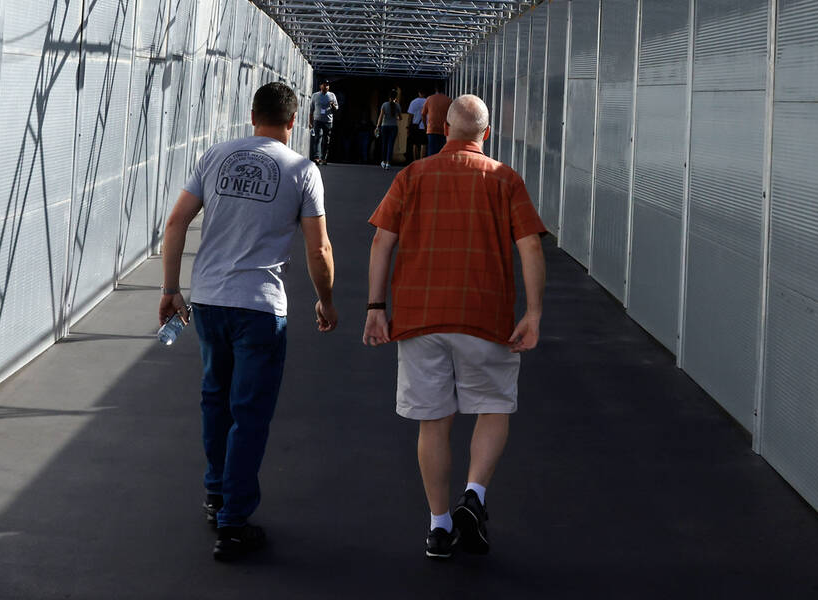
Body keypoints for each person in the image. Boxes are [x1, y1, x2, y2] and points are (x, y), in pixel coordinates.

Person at [362, 94, 547, 560]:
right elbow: (530, 248)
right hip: (486, 318)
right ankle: (476, 495)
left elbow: (383, 241)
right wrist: (534, 313)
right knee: (494, 407)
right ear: (486, 133)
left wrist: (375, 306)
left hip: (420, 318)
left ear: (444, 129)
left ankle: (439, 526)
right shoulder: (505, 178)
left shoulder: (412, 176)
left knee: (433, 423)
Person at [160, 81, 338, 563]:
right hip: (260, 308)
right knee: (250, 413)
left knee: (215, 400)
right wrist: (325, 300)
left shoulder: (215, 156)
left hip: (211, 302)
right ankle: (233, 523)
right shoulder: (302, 170)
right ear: (293, 122)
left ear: (251, 115)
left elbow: (176, 223)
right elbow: (318, 247)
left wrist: (170, 289)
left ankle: (216, 493)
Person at [309, 79, 339, 165]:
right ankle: (317, 157)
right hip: (317, 120)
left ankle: (324, 158)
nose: (326, 86)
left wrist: (332, 105)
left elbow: (336, 109)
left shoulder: (332, 95)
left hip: (328, 121)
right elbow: (311, 110)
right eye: (324, 85)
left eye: (327, 85)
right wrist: (310, 122)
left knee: (326, 140)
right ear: (320, 86)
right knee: (318, 138)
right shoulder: (315, 95)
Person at [420, 88, 453, 157]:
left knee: (431, 151)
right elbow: (452, 116)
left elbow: (423, 114)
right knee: (442, 152)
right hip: (444, 130)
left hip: (432, 129)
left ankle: (431, 166)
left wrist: (426, 127)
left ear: (436, 90)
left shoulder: (430, 99)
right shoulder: (449, 100)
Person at [376, 88, 402, 169]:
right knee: (390, 145)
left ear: (389, 96)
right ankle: (388, 163)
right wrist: (396, 118)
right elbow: (400, 117)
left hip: (384, 126)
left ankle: (383, 161)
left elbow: (380, 117)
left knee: (384, 143)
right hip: (393, 127)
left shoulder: (384, 105)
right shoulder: (397, 105)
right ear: (396, 97)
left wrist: (377, 126)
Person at [405, 88, 428, 162]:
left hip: (415, 125)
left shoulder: (413, 102)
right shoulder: (427, 101)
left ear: (419, 93)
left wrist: (408, 126)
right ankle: (422, 162)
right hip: (424, 126)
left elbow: (410, 116)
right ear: (425, 93)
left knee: (415, 144)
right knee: (423, 144)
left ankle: (415, 161)